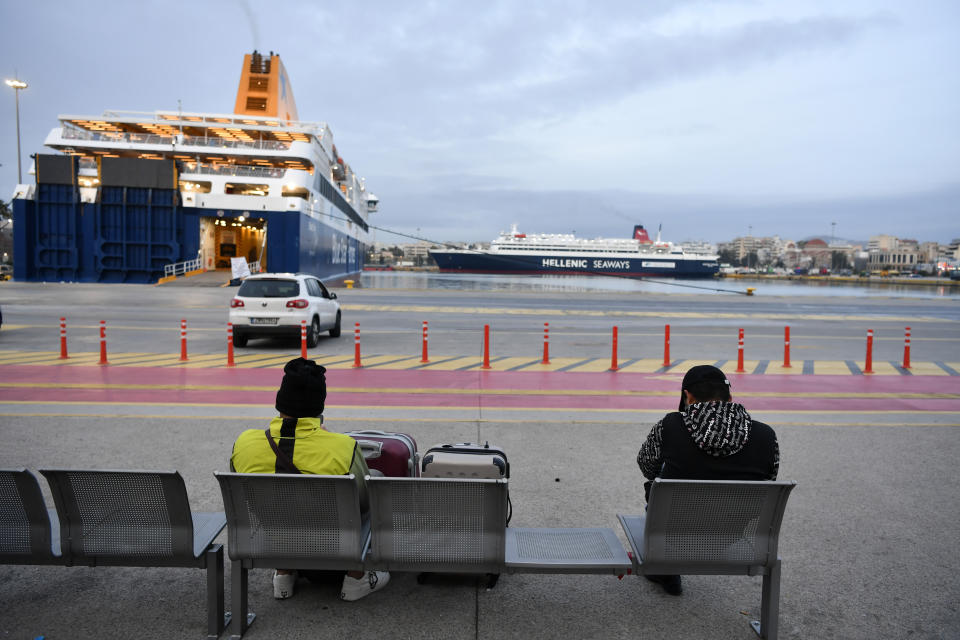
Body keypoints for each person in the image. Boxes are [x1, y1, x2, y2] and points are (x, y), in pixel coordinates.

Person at [230, 357, 390, 601]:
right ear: (320, 406)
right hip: (333, 541)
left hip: (273, 537)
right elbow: (365, 502)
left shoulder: (244, 443)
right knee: (373, 483)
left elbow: (240, 498)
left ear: (279, 399)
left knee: (277, 501)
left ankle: (283, 573)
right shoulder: (342, 447)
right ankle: (355, 579)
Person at [636, 365, 780, 596]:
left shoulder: (671, 426)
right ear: (730, 398)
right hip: (729, 535)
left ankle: (666, 571)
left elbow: (646, 466)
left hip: (673, 533)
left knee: (661, 478)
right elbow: (767, 482)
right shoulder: (765, 435)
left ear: (687, 397)